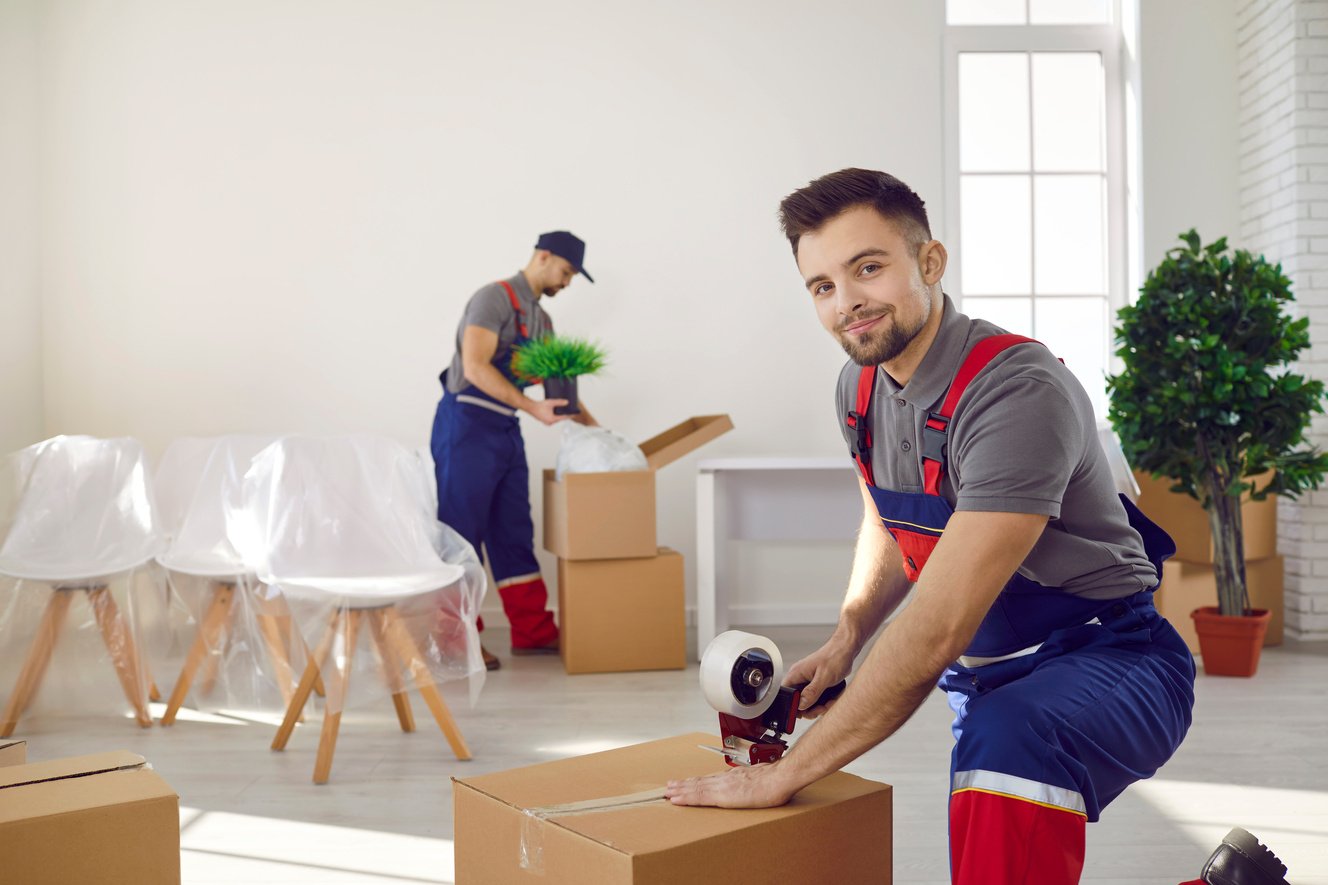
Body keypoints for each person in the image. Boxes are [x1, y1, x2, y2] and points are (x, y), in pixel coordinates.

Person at [663, 169, 1292, 885]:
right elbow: (890, 517)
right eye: (822, 286)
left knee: (1010, 743)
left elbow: (937, 627)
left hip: (1113, 660)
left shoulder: (1015, 392)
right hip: (987, 682)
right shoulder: (860, 387)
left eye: (867, 268)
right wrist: (847, 638)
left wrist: (785, 774)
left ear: (930, 261)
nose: (846, 303)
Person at [430, 231, 598, 671]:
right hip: (466, 424)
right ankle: (456, 640)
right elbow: (474, 366)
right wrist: (531, 406)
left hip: (505, 429)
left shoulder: (542, 322)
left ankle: (533, 632)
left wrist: (601, 436)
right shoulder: (494, 299)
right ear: (543, 256)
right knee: (461, 533)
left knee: (514, 530)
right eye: (566, 272)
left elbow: (561, 390)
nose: (567, 283)